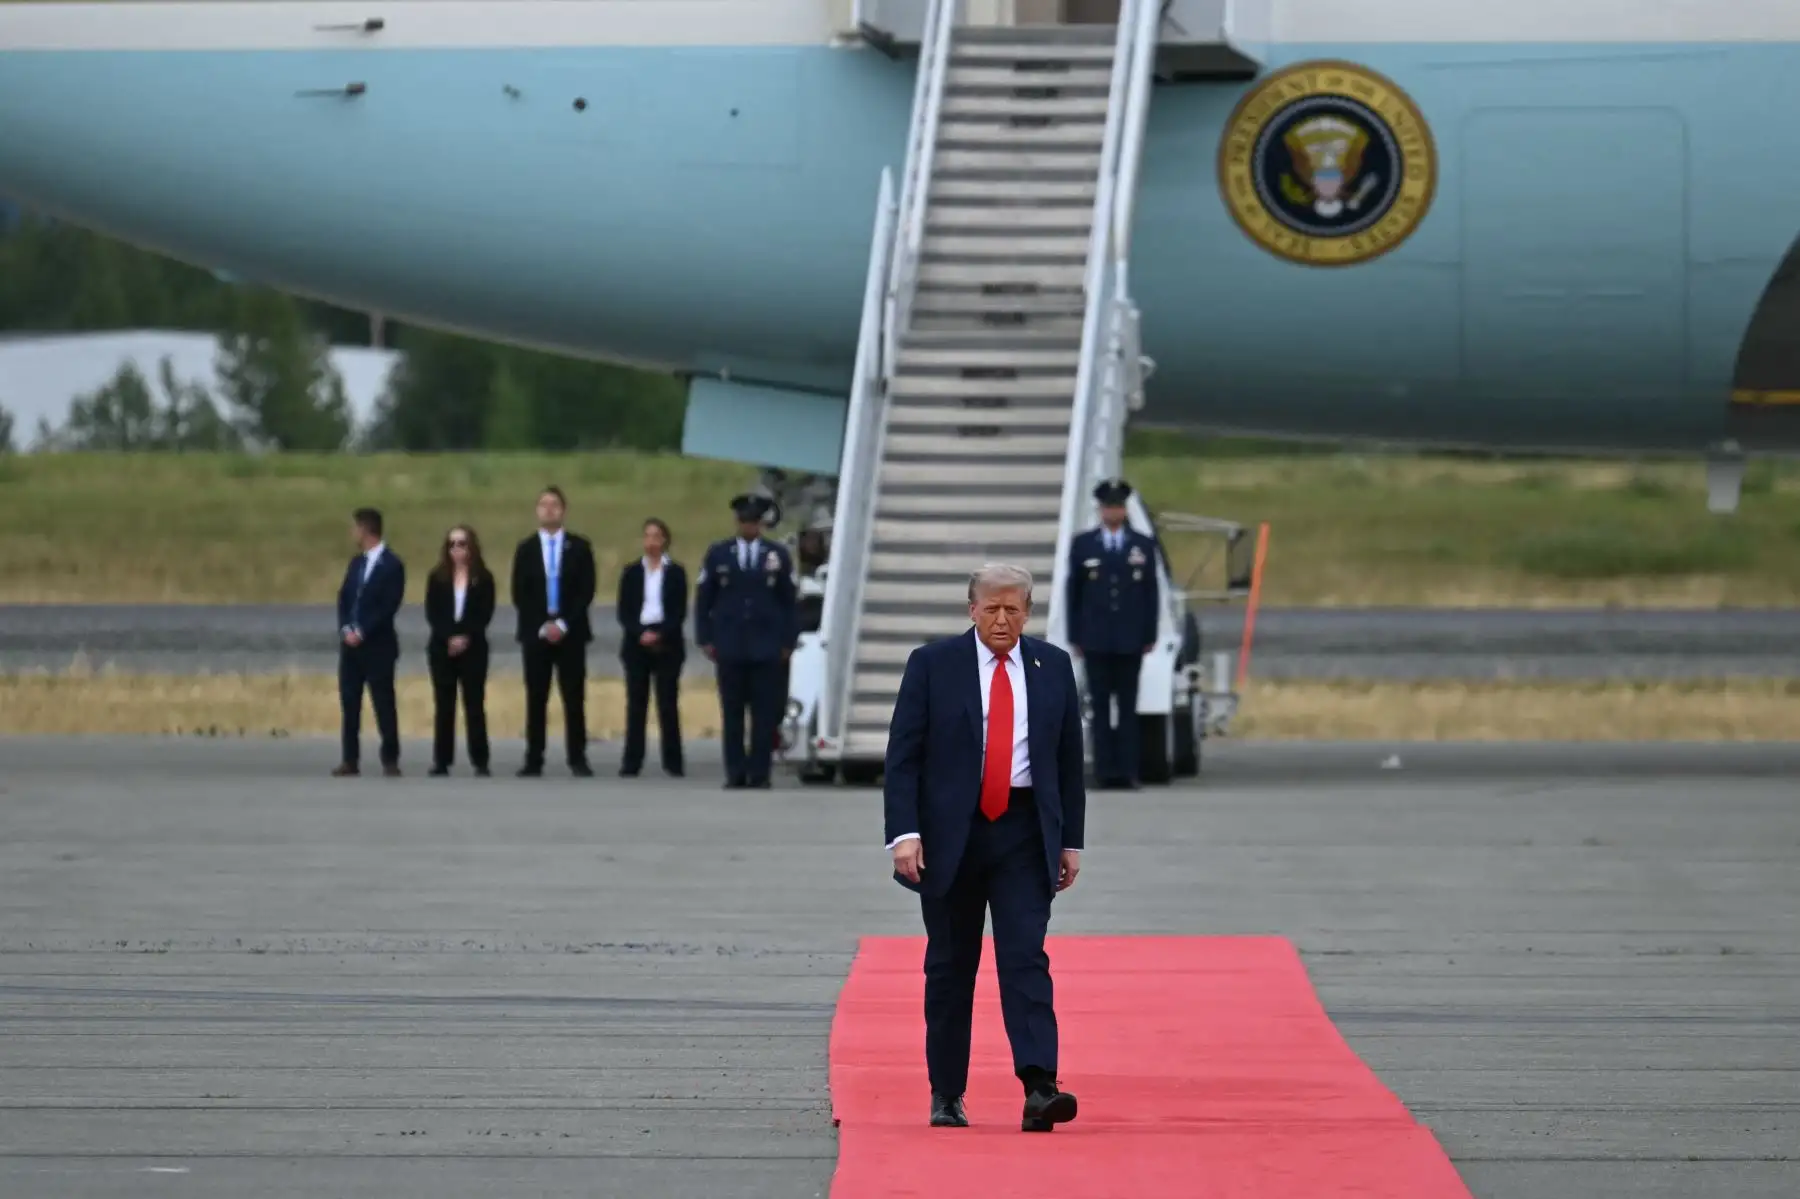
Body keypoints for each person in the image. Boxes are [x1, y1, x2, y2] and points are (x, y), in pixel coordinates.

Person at [882, 563, 1086, 1133]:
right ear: (971, 609)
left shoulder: (1052, 667)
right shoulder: (933, 665)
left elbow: (1068, 761)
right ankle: (947, 1092)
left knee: (1025, 957)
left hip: (1023, 833)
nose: (1002, 619)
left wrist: (1070, 840)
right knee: (951, 966)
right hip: (952, 835)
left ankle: (1040, 1086)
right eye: (991, 608)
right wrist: (904, 835)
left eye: (1013, 609)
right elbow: (904, 757)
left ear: (1027, 612)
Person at [694, 493, 798, 789]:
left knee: (764, 715)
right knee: (733, 714)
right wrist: (705, 637)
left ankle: (760, 772)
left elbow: (789, 602)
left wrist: (788, 640)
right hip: (730, 645)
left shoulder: (776, 555)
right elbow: (705, 598)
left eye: (753, 521)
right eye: (744, 521)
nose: (749, 526)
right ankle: (735, 771)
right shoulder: (719, 554)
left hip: (766, 647)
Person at [1064, 477, 1161, 789]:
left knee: (1128, 708)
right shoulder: (1084, 544)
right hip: (1096, 639)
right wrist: (1075, 635)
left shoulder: (1142, 545)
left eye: (1118, 506)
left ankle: (1128, 771)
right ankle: (1105, 770)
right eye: (1108, 507)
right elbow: (1074, 593)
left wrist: (1149, 634)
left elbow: (1150, 593)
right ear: (1101, 509)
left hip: (1130, 639)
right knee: (1101, 707)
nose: (1113, 512)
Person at [510, 485, 597, 778]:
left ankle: (578, 756)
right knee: (536, 697)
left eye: (555, 504)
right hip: (536, 633)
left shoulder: (580, 547)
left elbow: (586, 590)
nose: (549, 509)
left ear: (564, 510)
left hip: (570, 632)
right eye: (544, 504)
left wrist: (563, 623)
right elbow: (519, 593)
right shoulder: (526, 549)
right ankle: (534, 758)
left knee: (573, 697)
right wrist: (542, 625)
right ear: (537, 510)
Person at [333, 507, 406, 778]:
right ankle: (350, 759)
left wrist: (363, 630)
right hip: (350, 647)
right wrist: (345, 628)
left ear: (366, 529)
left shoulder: (392, 565)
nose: (352, 533)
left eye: (355, 528)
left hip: (378, 646)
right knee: (350, 703)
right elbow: (344, 598)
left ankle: (390, 758)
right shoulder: (356, 564)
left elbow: (389, 605)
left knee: (383, 702)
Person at [617, 517, 688, 778]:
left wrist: (659, 633)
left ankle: (673, 761)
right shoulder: (632, 571)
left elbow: (678, 612)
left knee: (667, 703)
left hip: (666, 642)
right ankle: (632, 761)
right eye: (647, 536)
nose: (651, 542)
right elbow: (624, 611)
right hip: (637, 641)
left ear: (665, 540)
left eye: (656, 536)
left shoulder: (676, 572)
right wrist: (640, 633)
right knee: (636, 704)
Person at [424, 524, 495, 777]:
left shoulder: (483, 578)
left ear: (471, 547)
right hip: (442, 649)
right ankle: (442, 760)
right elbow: (433, 613)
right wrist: (449, 637)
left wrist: (465, 636)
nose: (457, 549)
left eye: (462, 543)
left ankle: (480, 759)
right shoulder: (437, 577)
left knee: (474, 704)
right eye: (452, 544)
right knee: (444, 705)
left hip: (473, 648)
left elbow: (484, 614)